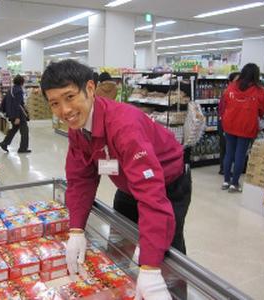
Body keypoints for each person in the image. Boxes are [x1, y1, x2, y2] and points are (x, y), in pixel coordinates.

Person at [40, 60, 192, 300]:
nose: (65, 110)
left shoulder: (124, 124)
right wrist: (76, 229)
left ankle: (172, 295)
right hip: (127, 183)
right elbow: (80, 178)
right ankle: (119, 289)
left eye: (70, 97)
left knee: (166, 253)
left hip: (167, 185)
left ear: (89, 88)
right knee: (119, 243)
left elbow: (152, 195)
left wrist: (150, 268)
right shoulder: (77, 128)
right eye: (55, 103)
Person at [222, 63, 264, 192]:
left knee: (229, 153)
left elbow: (224, 103)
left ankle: (226, 181)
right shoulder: (259, 91)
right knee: (240, 155)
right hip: (246, 126)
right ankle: (234, 183)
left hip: (229, 124)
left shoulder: (231, 87)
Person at [0, 74, 31, 153]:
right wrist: (17, 117)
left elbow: (4, 101)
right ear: (22, 82)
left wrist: (5, 112)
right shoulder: (19, 90)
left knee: (14, 129)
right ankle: (23, 148)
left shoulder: (11, 89)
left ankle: (4, 143)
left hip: (11, 113)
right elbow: (17, 104)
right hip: (18, 114)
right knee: (24, 131)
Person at [218, 72, 240, 175]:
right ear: (230, 82)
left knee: (229, 148)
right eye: (237, 80)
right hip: (224, 123)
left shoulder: (237, 92)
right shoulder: (227, 93)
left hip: (232, 123)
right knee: (225, 147)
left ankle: (228, 169)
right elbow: (222, 110)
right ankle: (224, 169)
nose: (239, 82)